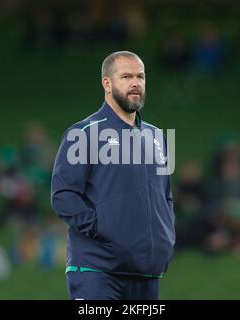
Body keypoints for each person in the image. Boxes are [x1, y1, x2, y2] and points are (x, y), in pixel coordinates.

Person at [51, 51, 176, 300]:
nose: (135, 83)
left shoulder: (157, 137)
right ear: (107, 83)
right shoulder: (83, 134)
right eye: (126, 76)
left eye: (140, 76)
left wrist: (166, 238)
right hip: (97, 271)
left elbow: (166, 198)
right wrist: (104, 229)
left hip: (147, 274)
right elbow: (63, 196)